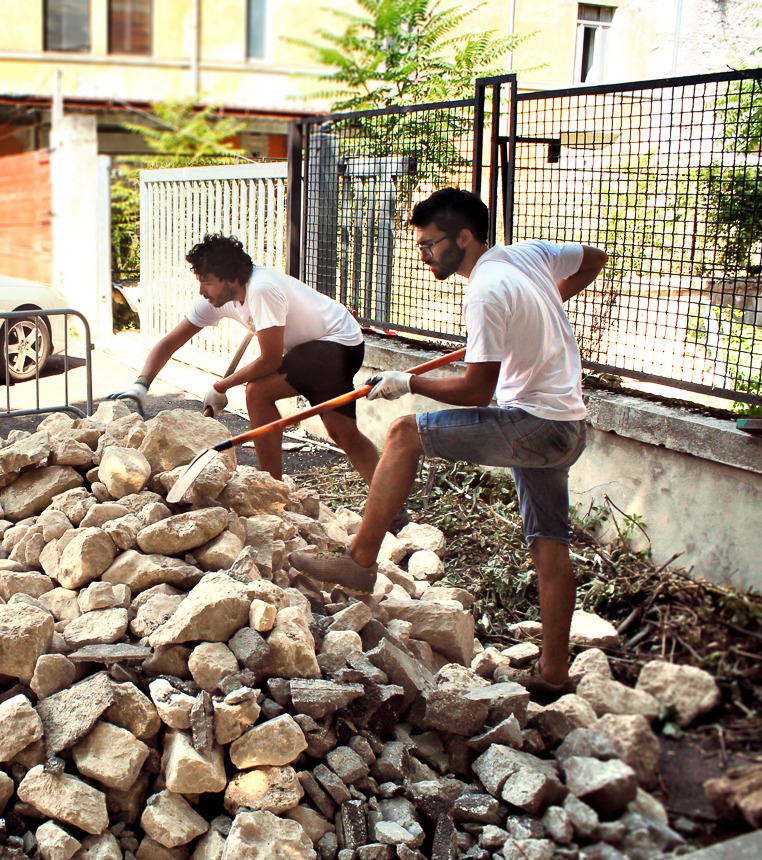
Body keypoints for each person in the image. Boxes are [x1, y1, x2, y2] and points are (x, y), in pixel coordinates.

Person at [292, 187, 607, 696]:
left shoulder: (485, 289)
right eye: (419, 244)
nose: (424, 254)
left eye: (432, 244)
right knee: (550, 546)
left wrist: (408, 382)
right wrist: (544, 308)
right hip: (567, 426)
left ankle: (359, 562)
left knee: (403, 432)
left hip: (534, 424)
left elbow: (477, 389)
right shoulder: (528, 256)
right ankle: (553, 674)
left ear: (464, 237)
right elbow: (594, 258)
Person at [108, 233, 380, 486]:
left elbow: (271, 360)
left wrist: (221, 386)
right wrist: (141, 385)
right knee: (343, 433)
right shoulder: (218, 299)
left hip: (338, 343)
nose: (202, 290)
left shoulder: (261, 289)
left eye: (207, 281)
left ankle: (270, 487)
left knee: (259, 392)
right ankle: (391, 507)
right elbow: (169, 342)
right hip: (312, 348)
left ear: (231, 279)